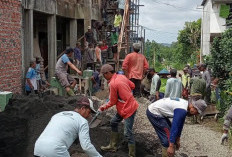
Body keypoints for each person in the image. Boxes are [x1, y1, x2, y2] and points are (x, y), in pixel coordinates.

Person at [34, 97, 102, 157]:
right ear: (83, 108)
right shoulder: (82, 121)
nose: (89, 116)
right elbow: (86, 147)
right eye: (89, 112)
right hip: (56, 150)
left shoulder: (58, 115)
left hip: (38, 148)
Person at [98, 64, 138, 157]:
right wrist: (124, 93)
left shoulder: (113, 83)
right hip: (124, 107)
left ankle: (132, 155)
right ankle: (113, 146)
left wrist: (102, 107)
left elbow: (112, 101)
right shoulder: (121, 76)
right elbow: (132, 85)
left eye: (104, 75)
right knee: (113, 122)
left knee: (127, 133)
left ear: (108, 73)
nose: (104, 77)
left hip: (128, 109)